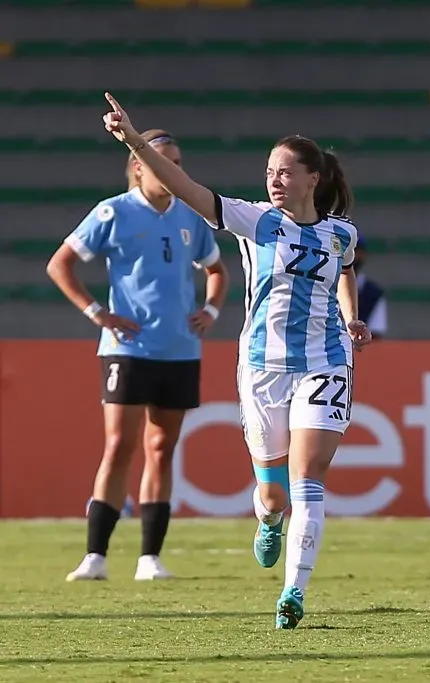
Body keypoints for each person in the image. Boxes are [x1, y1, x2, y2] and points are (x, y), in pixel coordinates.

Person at [100, 93, 372, 629]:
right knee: (273, 496)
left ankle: (294, 591)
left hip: (326, 361)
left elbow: (344, 270)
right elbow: (185, 188)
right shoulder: (255, 221)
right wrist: (133, 141)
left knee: (308, 477)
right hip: (263, 367)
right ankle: (268, 520)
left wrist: (351, 316)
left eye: (285, 171)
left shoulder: (342, 233)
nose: (274, 180)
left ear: (313, 178)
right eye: (269, 171)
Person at [47, 128, 229, 582]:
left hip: (179, 349)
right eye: (162, 161)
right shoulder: (114, 212)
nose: (173, 170)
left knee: (162, 449)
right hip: (128, 348)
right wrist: (96, 312)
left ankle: (150, 557)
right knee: (119, 446)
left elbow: (217, 269)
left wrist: (209, 308)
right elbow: (60, 263)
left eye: (177, 162)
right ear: (137, 166)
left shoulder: (189, 215)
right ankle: (96, 555)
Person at [353, 239, 388, 339]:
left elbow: (376, 335)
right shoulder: (321, 286)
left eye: (356, 250)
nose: (352, 256)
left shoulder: (372, 293)